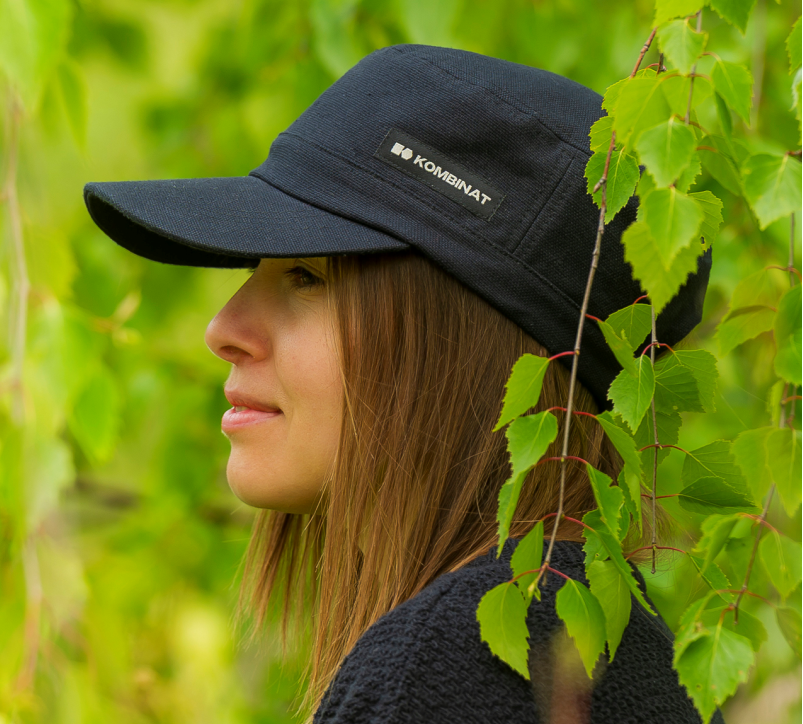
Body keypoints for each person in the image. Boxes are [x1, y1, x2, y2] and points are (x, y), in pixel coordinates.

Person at [83, 44, 723, 724]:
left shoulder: (460, 659)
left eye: (307, 277)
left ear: (460, 338)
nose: (223, 327)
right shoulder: (613, 646)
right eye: (255, 270)